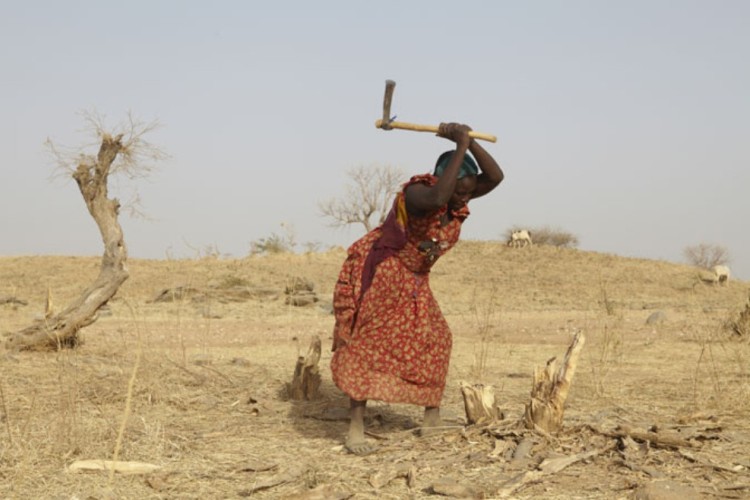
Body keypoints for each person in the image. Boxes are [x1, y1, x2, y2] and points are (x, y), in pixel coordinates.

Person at [330, 122, 504, 455]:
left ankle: (431, 420)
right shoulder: (419, 194)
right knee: (368, 342)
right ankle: (355, 427)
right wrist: (460, 147)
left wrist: (467, 142)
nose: (467, 196)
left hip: (413, 278)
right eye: (462, 189)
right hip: (384, 269)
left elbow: (495, 177)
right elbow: (440, 193)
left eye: (470, 190)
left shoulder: (456, 199)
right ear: (446, 180)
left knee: (436, 338)